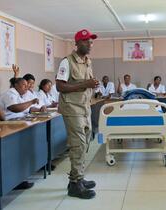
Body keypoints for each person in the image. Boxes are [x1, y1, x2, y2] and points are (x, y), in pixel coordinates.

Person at [56, 29, 99, 199]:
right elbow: (60, 86)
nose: (90, 44)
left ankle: (78, 178)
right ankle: (75, 184)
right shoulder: (66, 62)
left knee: (85, 140)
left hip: (84, 106)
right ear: (78, 43)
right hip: (72, 108)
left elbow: (86, 83)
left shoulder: (88, 61)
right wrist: (84, 84)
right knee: (78, 143)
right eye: (87, 41)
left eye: (91, 41)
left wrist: (91, 84)